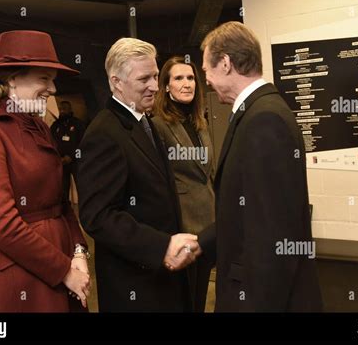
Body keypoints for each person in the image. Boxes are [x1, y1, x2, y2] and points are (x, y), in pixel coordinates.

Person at [0, 30, 91, 312]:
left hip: (57, 257)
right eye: (44, 78)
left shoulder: (38, 127)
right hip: (16, 270)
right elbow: (2, 226)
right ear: (11, 78)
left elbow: (60, 200)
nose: (53, 89)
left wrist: (78, 251)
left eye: (53, 81)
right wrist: (64, 271)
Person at [199, 21, 323, 312]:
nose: (206, 80)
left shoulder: (264, 119)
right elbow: (245, 212)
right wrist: (200, 242)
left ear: (226, 63)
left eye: (206, 70)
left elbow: (272, 236)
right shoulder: (257, 111)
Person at [76, 38, 201, 312]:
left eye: (156, 76)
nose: (155, 87)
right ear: (116, 82)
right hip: (135, 287)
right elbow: (97, 216)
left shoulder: (144, 122)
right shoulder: (103, 133)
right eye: (144, 78)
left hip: (162, 280)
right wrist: (160, 247)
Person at [152, 56, 215, 312]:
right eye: (178, 78)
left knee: (199, 298)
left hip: (208, 226)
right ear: (166, 86)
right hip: (181, 227)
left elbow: (206, 173)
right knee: (182, 301)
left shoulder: (201, 123)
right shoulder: (157, 126)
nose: (187, 83)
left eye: (190, 78)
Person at [50, 100, 85, 201]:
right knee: (63, 191)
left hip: (76, 162)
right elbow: (50, 142)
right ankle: (66, 214)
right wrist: (58, 158)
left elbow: (83, 142)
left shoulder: (78, 124)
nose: (62, 111)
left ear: (70, 109)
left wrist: (71, 156)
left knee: (82, 188)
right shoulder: (55, 125)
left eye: (64, 109)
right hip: (61, 162)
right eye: (60, 109)